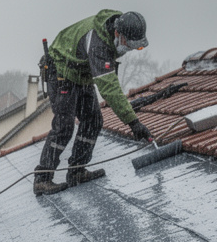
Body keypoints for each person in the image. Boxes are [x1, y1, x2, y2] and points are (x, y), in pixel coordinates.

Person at [33, 10, 155, 196]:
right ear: (117, 33)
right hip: (61, 70)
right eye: (128, 45)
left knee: (93, 120)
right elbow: (109, 88)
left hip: (81, 73)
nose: (128, 49)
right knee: (64, 126)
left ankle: (76, 171)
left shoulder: (118, 25)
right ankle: (42, 179)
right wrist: (133, 122)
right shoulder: (99, 45)